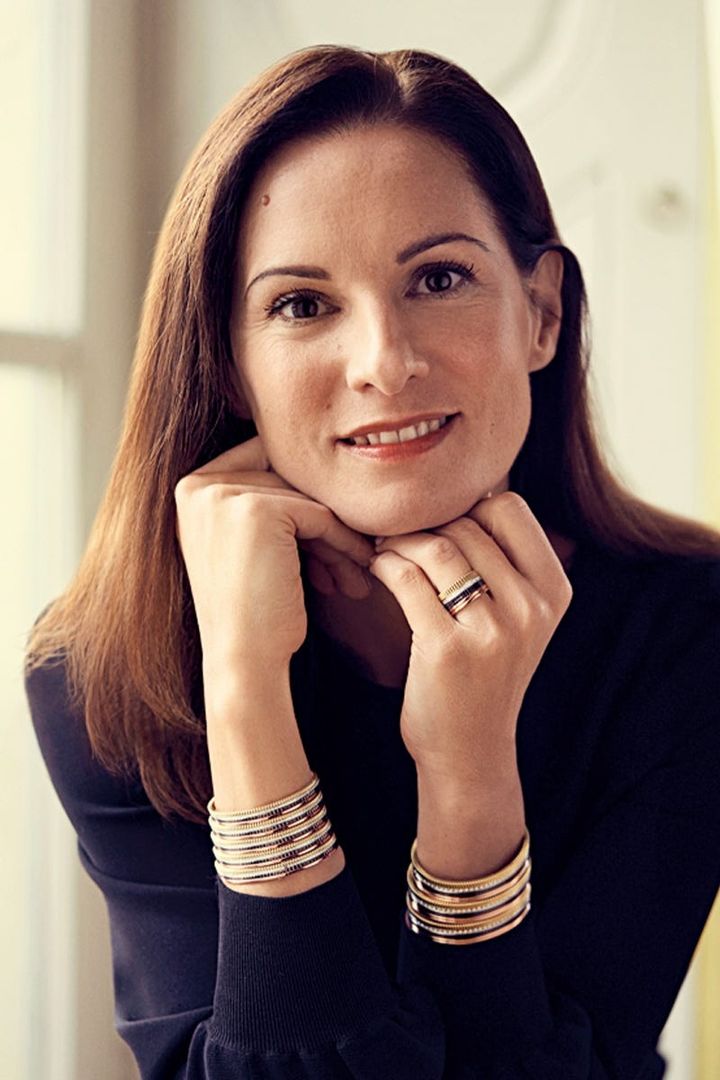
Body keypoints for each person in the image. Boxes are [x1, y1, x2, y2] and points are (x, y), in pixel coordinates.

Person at [24, 43, 720, 1079]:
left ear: (540, 313)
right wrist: (245, 694)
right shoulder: (104, 675)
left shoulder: (690, 632)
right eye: (302, 305)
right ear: (228, 360)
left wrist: (469, 770)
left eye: (438, 278)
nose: (385, 363)